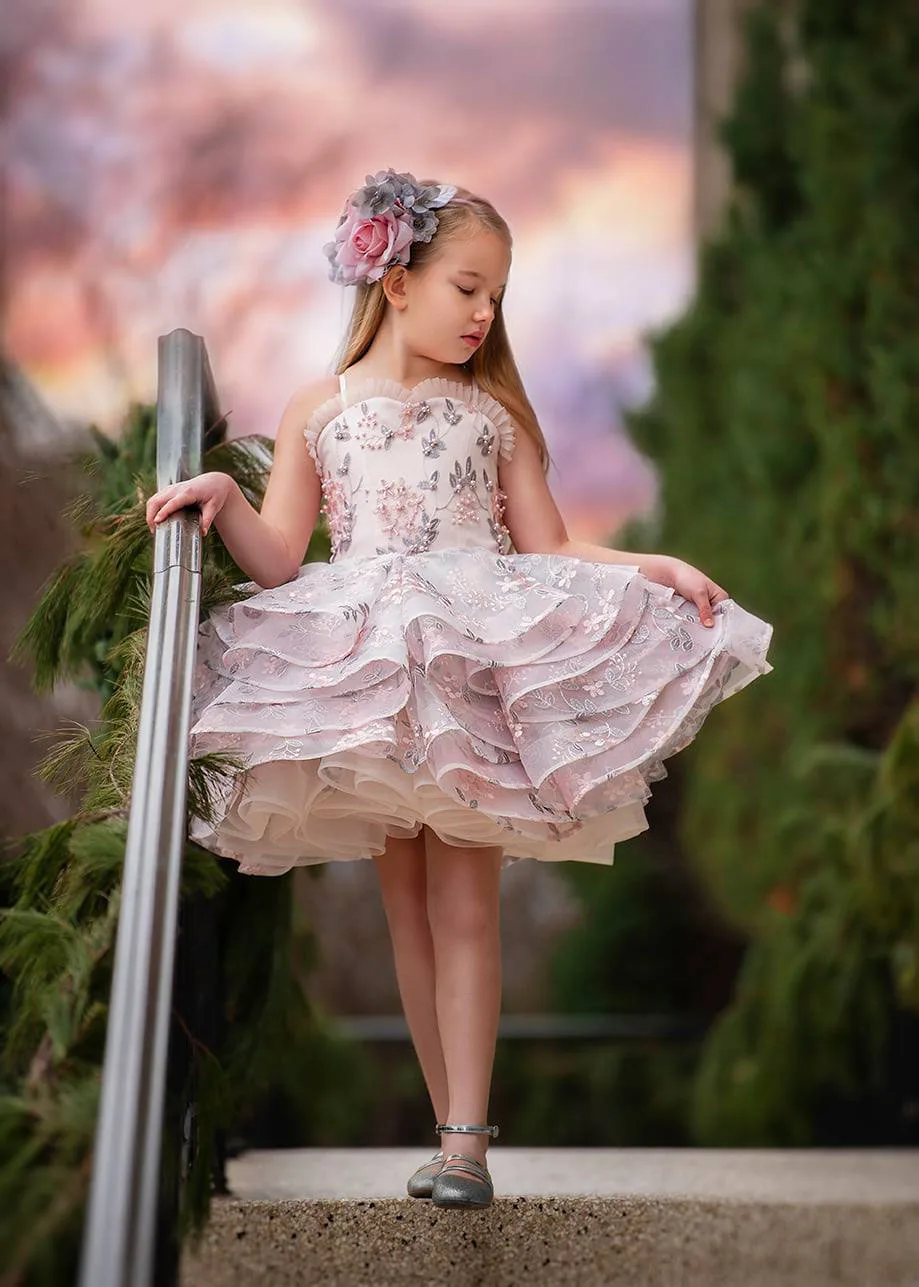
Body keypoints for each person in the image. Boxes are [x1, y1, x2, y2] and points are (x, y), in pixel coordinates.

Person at [145, 169, 773, 1210]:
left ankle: (466, 1144)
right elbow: (277, 560)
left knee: (466, 899)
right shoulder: (318, 410)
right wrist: (221, 489)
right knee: (406, 907)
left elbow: (554, 548)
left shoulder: (493, 416)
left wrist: (653, 567)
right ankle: (449, 1138)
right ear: (394, 282)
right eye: (466, 288)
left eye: (497, 295)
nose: (485, 312)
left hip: (468, 662)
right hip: (374, 675)